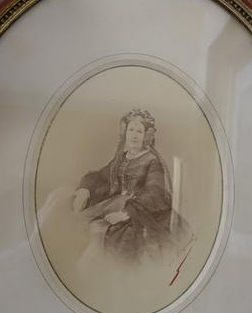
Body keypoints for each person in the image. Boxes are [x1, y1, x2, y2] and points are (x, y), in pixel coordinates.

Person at [73, 109, 192, 266]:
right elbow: (101, 176)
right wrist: (84, 190)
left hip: (142, 212)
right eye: (131, 130)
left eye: (139, 131)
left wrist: (126, 213)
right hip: (114, 205)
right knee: (81, 221)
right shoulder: (121, 158)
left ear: (146, 136)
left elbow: (155, 194)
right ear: (125, 132)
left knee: (111, 235)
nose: (134, 135)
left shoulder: (152, 161)